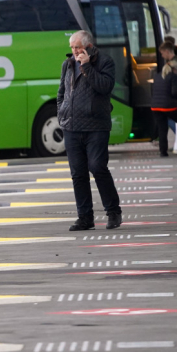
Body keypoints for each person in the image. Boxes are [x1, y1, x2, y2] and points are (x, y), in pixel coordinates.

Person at [57, 30, 122, 231]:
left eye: (77, 47)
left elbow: (105, 87)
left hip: (96, 126)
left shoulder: (105, 62)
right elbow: (61, 92)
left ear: (88, 46)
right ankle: (85, 218)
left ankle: (113, 211)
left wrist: (86, 66)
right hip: (71, 126)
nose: (74, 51)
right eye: (72, 47)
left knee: (97, 167)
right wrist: (62, 113)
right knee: (78, 173)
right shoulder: (68, 64)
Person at [151, 46, 177, 157]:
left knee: (162, 128)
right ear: (174, 69)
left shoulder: (157, 76)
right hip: (169, 106)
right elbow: (174, 92)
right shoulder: (173, 76)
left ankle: (163, 151)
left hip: (155, 107)